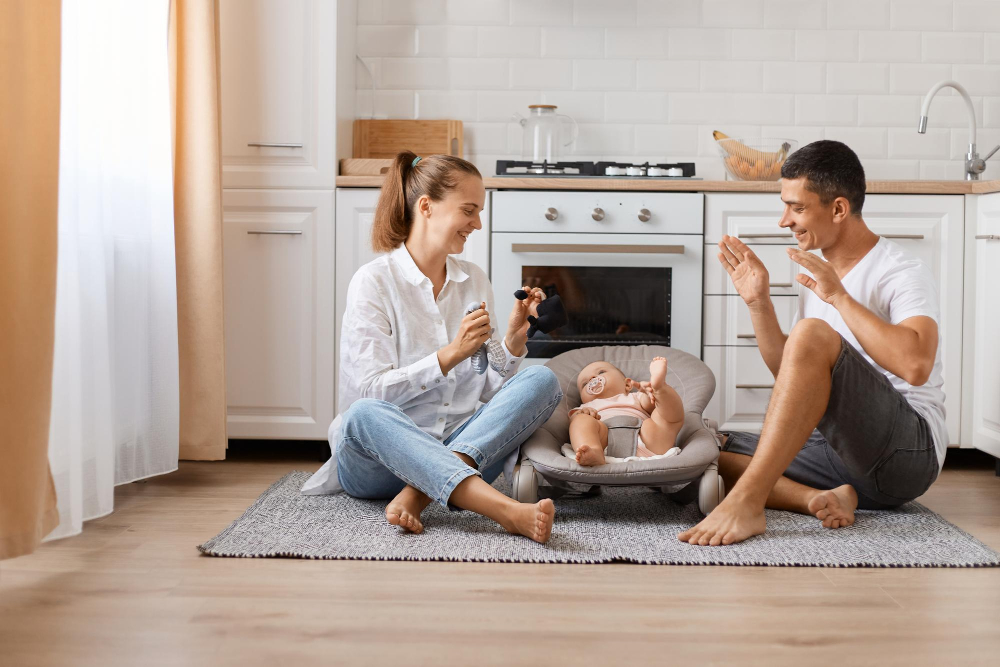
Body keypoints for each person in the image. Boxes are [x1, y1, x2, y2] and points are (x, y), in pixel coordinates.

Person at [679, 140, 946, 546]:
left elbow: (916, 365)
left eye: (798, 208)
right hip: (838, 456)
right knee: (694, 449)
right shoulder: (819, 269)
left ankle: (747, 502)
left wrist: (839, 297)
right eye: (785, 206)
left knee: (811, 334)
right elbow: (792, 375)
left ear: (838, 209)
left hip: (904, 457)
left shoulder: (901, 270)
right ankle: (820, 499)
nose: (785, 220)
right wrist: (759, 302)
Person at [301, 151, 563, 543]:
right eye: (469, 210)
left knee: (542, 379)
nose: (477, 223)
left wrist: (512, 339)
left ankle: (418, 495)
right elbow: (368, 391)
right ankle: (502, 510)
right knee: (363, 413)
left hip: (460, 446)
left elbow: (488, 390)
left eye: (479, 212)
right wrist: (449, 355)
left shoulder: (474, 280)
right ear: (426, 206)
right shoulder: (373, 281)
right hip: (378, 463)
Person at [568, 357, 684, 466]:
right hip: (605, 442)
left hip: (645, 439)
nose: (592, 379)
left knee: (665, 417)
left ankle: (659, 388)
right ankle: (593, 451)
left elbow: (650, 404)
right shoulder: (586, 406)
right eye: (584, 384)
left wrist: (649, 393)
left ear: (627, 384)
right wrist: (582, 414)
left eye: (601, 372)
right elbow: (574, 421)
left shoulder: (635, 396)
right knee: (580, 421)